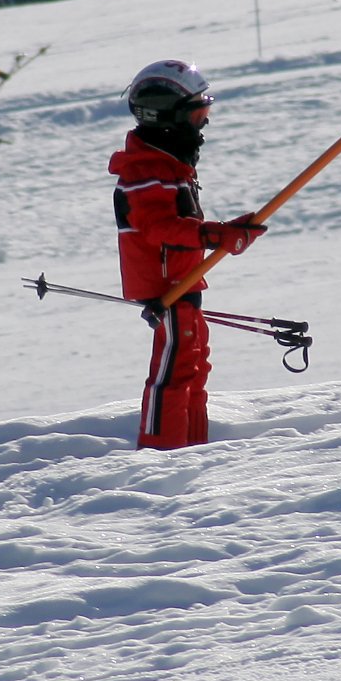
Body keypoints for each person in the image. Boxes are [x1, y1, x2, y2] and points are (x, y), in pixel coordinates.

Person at [109, 60, 265, 449]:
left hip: (185, 282)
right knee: (173, 371)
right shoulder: (145, 172)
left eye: (205, 113)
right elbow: (159, 227)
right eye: (198, 114)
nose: (204, 125)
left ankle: (194, 449)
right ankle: (162, 452)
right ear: (167, 119)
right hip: (168, 287)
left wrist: (228, 230)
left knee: (195, 366)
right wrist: (215, 236)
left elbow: (179, 225)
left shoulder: (168, 167)